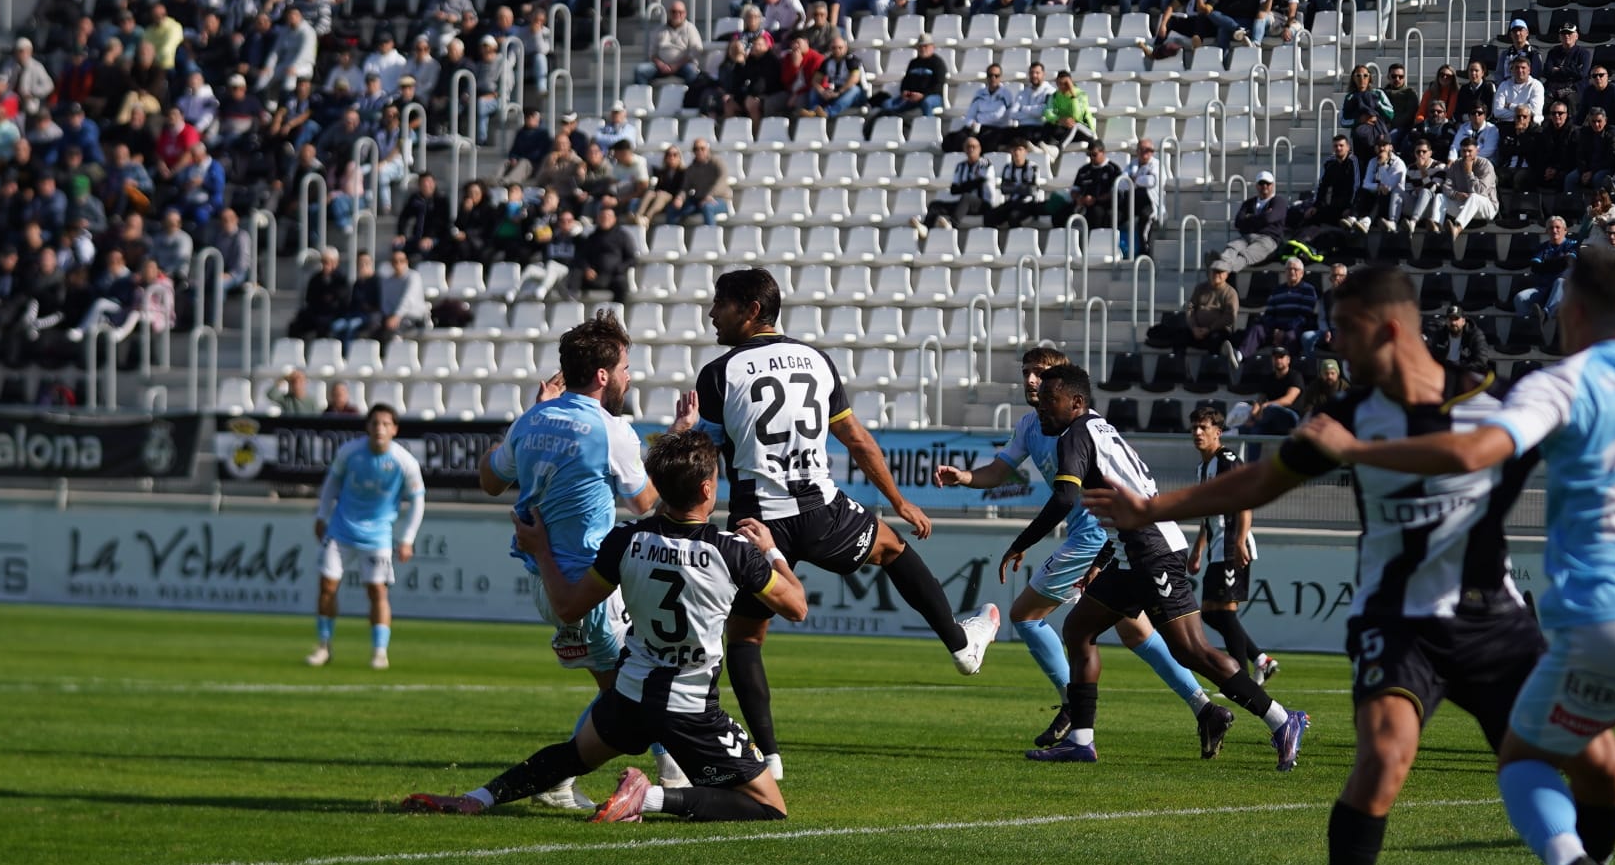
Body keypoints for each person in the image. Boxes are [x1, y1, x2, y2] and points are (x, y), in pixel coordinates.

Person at [1087, 263, 1615, 865]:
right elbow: (1262, 479)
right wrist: (1151, 508)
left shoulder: (1491, 401)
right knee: (1382, 759)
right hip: (1398, 621)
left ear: (1389, 328)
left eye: (1344, 328)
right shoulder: (1346, 416)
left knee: (1602, 766)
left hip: (1494, 618)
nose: (1332, 343)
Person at [1293, 249, 1615, 865]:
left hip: (1554, 616)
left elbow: (1478, 452)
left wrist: (1353, 453)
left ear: (1573, 313)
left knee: (1548, 762)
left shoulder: (1538, 389)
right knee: (1400, 759)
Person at [669, 268, 1000, 779]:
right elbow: (858, 441)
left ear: (752, 310)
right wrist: (900, 501)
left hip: (759, 523)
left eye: (721, 304)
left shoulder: (719, 373)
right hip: (823, 511)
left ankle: (770, 759)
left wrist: (680, 439)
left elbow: (705, 453)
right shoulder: (817, 361)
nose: (712, 314)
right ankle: (960, 646)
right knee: (891, 548)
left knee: (744, 638)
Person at [407, 430, 803, 823]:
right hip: (691, 707)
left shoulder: (625, 540)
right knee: (769, 806)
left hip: (628, 695)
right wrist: (771, 549)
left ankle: (478, 798)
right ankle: (646, 798)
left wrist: (541, 550)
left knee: (572, 755)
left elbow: (567, 606)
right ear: (705, 490)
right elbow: (796, 606)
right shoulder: (733, 551)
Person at [934, 349, 1233, 757]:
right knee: (1134, 631)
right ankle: (1205, 708)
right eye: (1026, 373)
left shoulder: (1073, 425)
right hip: (1105, 538)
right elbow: (1000, 471)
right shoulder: (1030, 425)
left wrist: (1023, 542)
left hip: (1096, 535)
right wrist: (965, 477)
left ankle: (1073, 705)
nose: (1031, 381)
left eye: (1040, 373)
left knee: (1026, 614)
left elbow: (1067, 494)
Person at [1007, 365, 1309, 767]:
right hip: (1132, 552)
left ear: (1076, 403)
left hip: (1150, 551)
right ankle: (1081, 740)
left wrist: (1020, 542)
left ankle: (1281, 720)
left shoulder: (1075, 435)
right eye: (1041, 400)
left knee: (1193, 651)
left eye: (1050, 400)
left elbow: (1064, 498)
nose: (1042, 407)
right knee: (1078, 628)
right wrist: (1104, 557)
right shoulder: (1099, 428)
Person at [478, 314, 675, 808]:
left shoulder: (532, 420)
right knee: (632, 695)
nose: (631, 377)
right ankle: (671, 782)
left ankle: (564, 781)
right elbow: (647, 504)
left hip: (551, 581)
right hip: (589, 585)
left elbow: (489, 479)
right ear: (604, 375)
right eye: (626, 367)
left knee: (632, 687)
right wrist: (676, 445)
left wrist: (525, 418)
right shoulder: (609, 431)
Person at [305, 404, 424, 672]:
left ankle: (379, 652)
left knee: (377, 592)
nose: (379, 429)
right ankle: (324, 646)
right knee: (327, 587)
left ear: (394, 429)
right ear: (367, 427)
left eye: (385, 424)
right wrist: (322, 516)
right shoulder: (350, 452)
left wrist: (407, 538)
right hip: (341, 530)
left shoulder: (405, 462)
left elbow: (418, 501)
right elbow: (331, 484)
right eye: (374, 423)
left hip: (378, 536)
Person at [1185, 404, 1277, 685]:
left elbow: (1244, 500)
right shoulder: (1203, 467)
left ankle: (1242, 680)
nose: (1198, 433)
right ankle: (1261, 660)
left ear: (1218, 432)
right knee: (1212, 614)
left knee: (1224, 612)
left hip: (1231, 545)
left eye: (1204, 428)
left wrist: (1239, 542)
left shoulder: (1227, 459)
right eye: (1195, 428)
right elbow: (1208, 512)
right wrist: (1198, 548)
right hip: (1216, 547)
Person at [1212, 170, 1287, 272]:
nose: (1264, 186)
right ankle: (1220, 264)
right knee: (1232, 247)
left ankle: (1220, 269)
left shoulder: (1278, 201)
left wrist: (1250, 218)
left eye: (1267, 183)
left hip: (1268, 240)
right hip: (1247, 237)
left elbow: (1269, 218)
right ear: (1257, 186)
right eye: (1261, 183)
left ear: (1272, 185)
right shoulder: (1249, 203)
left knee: (1245, 255)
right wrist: (1263, 217)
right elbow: (1238, 223)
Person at [1425, 303, 1492, 375]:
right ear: (1446, 321)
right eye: (1450, 319)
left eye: (1456, 319)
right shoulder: (1440, 333)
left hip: (1466, 374)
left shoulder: (1475, 335)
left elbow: (1481, 361)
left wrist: (1461, 370)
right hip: (1444, 373)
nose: (1453, 322)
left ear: (1463, 321)